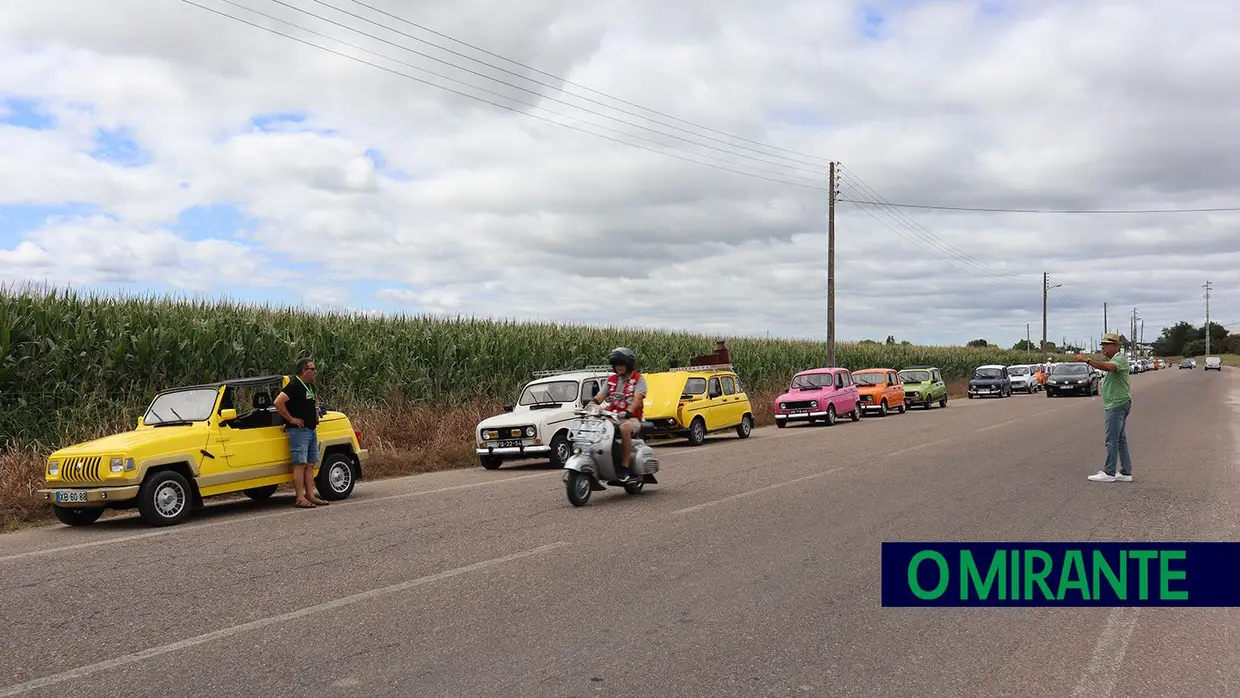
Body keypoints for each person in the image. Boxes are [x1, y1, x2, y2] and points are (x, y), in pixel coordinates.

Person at [1075, 334, 1133, 482]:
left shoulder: (1119, 360)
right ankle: (1126, 472)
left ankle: (1109, 472)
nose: (1103, 348)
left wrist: (1087, 360)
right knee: (1120, 439)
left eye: (1106, 345)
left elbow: (1110, 368)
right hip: (1117, 403)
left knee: (1111, 439)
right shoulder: (1115, 359)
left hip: (1116, 404)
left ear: (1115, 346)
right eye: (1102, 345)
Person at [273, 358, 329, 507]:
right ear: (304, 370)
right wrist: (291, 419)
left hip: (311, 429)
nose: (315, 372)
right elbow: (278, 402)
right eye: (312, 369)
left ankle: (310, 495)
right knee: (300, 463)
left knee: (310, 464)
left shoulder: (310, 386)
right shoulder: (294, 385)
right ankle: (299, 497)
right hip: (299, 431)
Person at [592, 347, 646, 482]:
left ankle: (625, 468)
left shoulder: (639, 380)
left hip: (631, 418)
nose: (619, 367)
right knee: (596, 425)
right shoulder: (611, 379)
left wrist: (629, 411)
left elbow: (637, 398)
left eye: (622, 364)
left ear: (629, 364)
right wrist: (592, 403)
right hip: (612, 416)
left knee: (625, 428)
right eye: (617, 365)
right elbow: (601, 396)